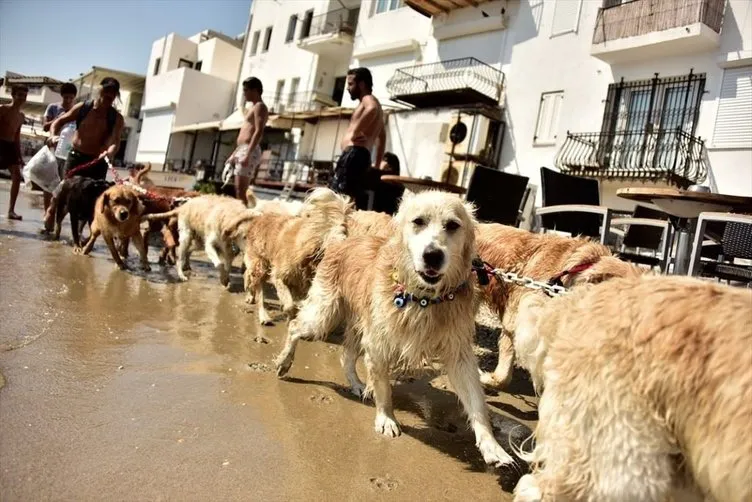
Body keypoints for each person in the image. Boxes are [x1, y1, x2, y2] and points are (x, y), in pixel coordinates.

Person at [43, 77, 124, 230]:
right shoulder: (83, 107)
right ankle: (51, 210)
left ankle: (80, 234)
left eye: (113, 93)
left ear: (116, 96)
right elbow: (58, 122)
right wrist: (52, 136)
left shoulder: (116, 118)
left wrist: (110, 152)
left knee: (94, 198)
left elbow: (116, 141)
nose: (109, 96)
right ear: (99, 90)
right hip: (76, 156)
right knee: (64, 189)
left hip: (98, 161)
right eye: (106, 91)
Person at [330, 67, 386, 210]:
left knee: (337, 197)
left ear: (361, 84)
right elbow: (382, 137)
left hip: (353, 155)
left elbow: (371, 108)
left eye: (350, 84)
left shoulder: (368, 100)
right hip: (361, 156)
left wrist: (355, 132)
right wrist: (377, 164)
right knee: (349, 199)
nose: (348, 88)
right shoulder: (379, 109)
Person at [223, 77, 268, 206]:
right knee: (237, 189)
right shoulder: (253, 107)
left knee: (240, 190)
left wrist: (248, 153)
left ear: (255, 90)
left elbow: (258, 131)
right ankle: (241, 213)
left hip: (248, 149)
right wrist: (234, 153)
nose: (244, 93)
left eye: (246, 90)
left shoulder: (260, 106)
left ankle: (243, 217)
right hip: (242, 149)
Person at [41, 82, 78, 217]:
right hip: (52, 151)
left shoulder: (77, 112)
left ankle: (56, 214)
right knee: (49, 184)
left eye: (71, 98)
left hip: (68, 154)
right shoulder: (53, 107)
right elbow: (45, 126)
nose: (68, 100)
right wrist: (59, 119)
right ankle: (47, 214)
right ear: (61, 96)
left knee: (64, 186)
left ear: (74, 97)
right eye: (65, 97)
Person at [0, 84, 28, 220]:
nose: (22, 98)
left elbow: (17, 136)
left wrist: (20, 157)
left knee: (17, 177)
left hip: (10, 147)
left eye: (24, 96)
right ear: (13, 95)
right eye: (20, 95)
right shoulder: (3, 109)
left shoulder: (21, 116)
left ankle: (11, 210)